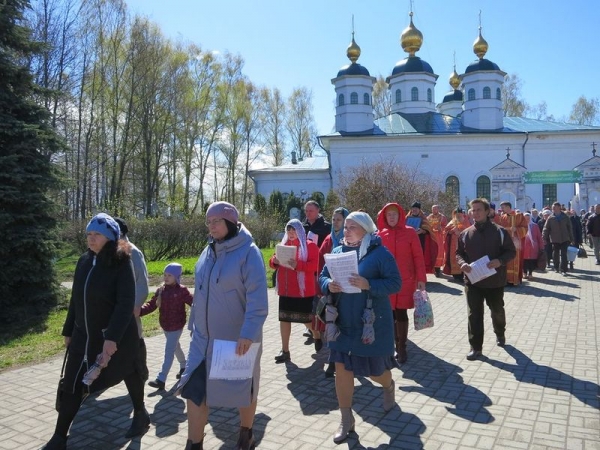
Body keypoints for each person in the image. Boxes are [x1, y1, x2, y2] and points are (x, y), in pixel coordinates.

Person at [43, 213, 149, 450]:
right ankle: (60, 436)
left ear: (110, 237)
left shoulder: (122, 263)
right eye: (89, 234)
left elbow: (125, 304)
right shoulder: (84, 260)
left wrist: (111, 338)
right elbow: (76, 299)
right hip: (83, 336)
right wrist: (69, 329)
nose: (91, 239)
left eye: (97, 235)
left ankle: (140, 414)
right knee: (71, 383)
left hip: (116, 335)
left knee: (130, 372)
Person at [179, 202, 268, 450]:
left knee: (243, 388)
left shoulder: (249, 252)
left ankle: (246, 433)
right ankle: (193, 444)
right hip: (203, 340)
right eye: (208, 222)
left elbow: (258, 300)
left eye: (216, 221)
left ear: (230, 222)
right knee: (194, 390)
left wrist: (248, 335)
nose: (211, 227)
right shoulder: (208, 251)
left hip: (235, 340)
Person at [319, 211, 401, 443]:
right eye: (345, 227)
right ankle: (346, 419)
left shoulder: (379, 253)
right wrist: (329, 285)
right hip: (343, 322)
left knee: (376, 372)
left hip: (370, 323)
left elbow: (395, 283)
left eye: (352, 227)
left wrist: (369, 284)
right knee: (342, 369)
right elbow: (323, 276)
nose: (346, 231)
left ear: (365, 229)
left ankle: (388, 385)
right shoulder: (337, 251)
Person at [456, 199, 516, 361]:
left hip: (494, 281)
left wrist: (500, 261)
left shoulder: (500, 232)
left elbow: (511, 252)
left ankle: (500, 332)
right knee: (474, 314)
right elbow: (459, 253)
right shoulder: (465, 234)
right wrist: (463, 264)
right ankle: (475, 347)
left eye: (479, 210)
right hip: (473, 281)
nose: (475, 213)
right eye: (473, 210)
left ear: (488, 211)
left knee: (497, 310)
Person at [377, 203, 426, 363]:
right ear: (384, 216)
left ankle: (402, 347)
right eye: (388, 214)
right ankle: (391, 346)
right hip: (386, 282)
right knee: (388, 314)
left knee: (401, 313)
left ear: (400, 216)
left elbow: (418, 256)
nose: (391, 217)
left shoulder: (410, 232)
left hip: (406, 280)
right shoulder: (380, 235)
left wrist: (421, 279)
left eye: (394, 214)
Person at [270, 219, 319, 361]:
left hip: (302, 291)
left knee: (306, 319)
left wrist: (298, 265)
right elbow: (273, 262)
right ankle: (285, 351)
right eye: (288, 231)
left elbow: (314, 266)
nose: (291, 234)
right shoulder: (282, 245)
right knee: (284, 319)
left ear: (300, 232)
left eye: (294, 231)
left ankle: (316, 335)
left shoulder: (309, 246)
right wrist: (275, 261)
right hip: (285, 290)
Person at [140, 263, 193, 390]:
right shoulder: (160, 290)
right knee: (175, 347)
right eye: (164, 275)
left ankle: (161, 379)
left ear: (177, 276)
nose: (166, 277)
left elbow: (194, 303)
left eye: (169, 275)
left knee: (168, 351)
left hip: (177, 325)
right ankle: (184, 366)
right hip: (165, 325)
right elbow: (152, 305)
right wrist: (140, 311)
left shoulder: (182, 291)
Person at [114, 217, 150, 382]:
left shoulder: (133, 252)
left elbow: (142, 282)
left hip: (129, 310)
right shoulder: (110, 251)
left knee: (135, 341)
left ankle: (140, 373)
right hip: (115, 308)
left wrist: (136, 305)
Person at [318, 206, 349, 377]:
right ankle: (332, 360)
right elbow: (321, 265)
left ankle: (348, 359)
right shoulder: (328, 240)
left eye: (339, 219)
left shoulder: (353, 239)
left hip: (349, 291)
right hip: (332, 290)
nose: (335, 222)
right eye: (334, 219)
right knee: (331, 324)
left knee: (346, 325)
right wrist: (323, 286)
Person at [497, 201, 527, 285]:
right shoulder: (502, 217)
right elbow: (499, 228)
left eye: (503, 207)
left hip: (515, 242)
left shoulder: (519, 216)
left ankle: (513, 280)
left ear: (508, 207)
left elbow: (525, 228)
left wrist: (516, 230)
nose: (501, 209)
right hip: (505, 243)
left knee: (514, 260)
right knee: (505, 260)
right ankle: (505, 280)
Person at [405, 201, 438, 274]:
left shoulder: (423, 218)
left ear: (419, 210)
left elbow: (428, 229)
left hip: (420, 241)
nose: (414, 210)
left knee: (419, 258)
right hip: (408, 242)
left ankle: (420, 275)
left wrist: (422, 231)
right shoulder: (407, 217)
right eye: (413, 208)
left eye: (416, 209)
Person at [542, 202, 574, 275]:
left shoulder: (565, 217)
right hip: (555, 238)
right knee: (555, 254)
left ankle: (563, 269)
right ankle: (556, 267)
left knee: (564, 254)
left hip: (565, 238)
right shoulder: (550, 218)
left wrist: (572, 238)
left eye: (555, 207)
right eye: (553, 208)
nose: (553, 209)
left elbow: (570, 228)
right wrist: (544, 237)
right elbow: (546, 228)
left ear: (559, 208)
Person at [443, 207, 471, 282]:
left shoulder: (466, 221)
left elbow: (468, 231)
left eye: (459, 214)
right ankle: (455, 275)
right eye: (457, 215)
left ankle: (462, 274)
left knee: (462, 257)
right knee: (453, 258)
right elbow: (446, 230)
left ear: (462, 214)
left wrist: (459, 232)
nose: (458, 216)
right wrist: (451, 232)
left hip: (462, 243)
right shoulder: (453, 221)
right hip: (453, 244)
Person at [427, 204, 448, 277]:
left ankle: (438, 270)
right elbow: (426, 224)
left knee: (439, 252)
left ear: (438, 209)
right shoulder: (429, 217)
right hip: (431, 237)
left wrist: (441, 228)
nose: (434, 210)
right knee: (431, 252)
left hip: (439, 237)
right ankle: (432, 269)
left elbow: (445, 226)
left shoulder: (442, 217)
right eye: (433, 209)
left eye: (435, 209)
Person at [522, 213, 544, 280]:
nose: (527, 220)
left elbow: (539, 237)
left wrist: (541, 246)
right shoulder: (521, 226)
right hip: (524, 246)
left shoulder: (535, 226)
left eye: (528, 218)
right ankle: (525, 273)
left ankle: (530, 273)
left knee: (532, 261)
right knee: (524, 261)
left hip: (533, 247)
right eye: (525, 218)